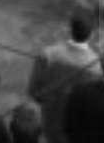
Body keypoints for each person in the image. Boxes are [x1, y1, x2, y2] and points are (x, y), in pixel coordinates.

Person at [25, 13, 100, 143]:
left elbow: (33, 91)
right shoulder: (96, 66)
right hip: (76, 130)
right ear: (92, 34)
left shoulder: (48, 55)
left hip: (50, 122)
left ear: (70, 29)